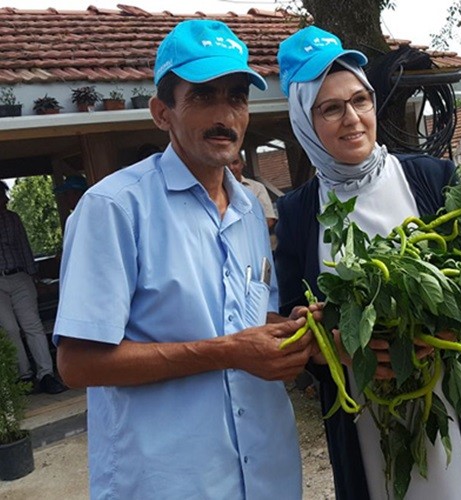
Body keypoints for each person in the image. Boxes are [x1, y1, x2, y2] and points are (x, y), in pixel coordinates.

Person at [274, 26, 461, 499]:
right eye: (331, 108)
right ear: (305, 122)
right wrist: (332, 345)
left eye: (360, 101)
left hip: (458, 396)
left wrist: (451, 328)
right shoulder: (299, 214)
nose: (353, 119)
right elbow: (296, 317)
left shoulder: (430, 178)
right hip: (368, 415)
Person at [53, 20, 316, 499]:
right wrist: (229, 351)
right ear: (161, 112)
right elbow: (77, 362)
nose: (225, 114)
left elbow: (250, 319)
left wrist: (294, 328)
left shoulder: (249, 212)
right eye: (202, 96)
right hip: (171, 481)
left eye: (236, 96)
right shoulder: (115, 208)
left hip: (265, 473)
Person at [0, 181, 67, 394]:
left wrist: (34, 278)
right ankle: (24, 376)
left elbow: (24, 247)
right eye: (3, 195)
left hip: (20, 275)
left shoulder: (13, 219)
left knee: (32, 325)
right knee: (9, 329)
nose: (6, 199)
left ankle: (46, 374)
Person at [228, 150, 278, 229]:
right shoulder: (214, 191)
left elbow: (269, 219)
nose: (231, 168)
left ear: (242, 164)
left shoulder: (257, 188)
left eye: (235, 163)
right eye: (226, 164)